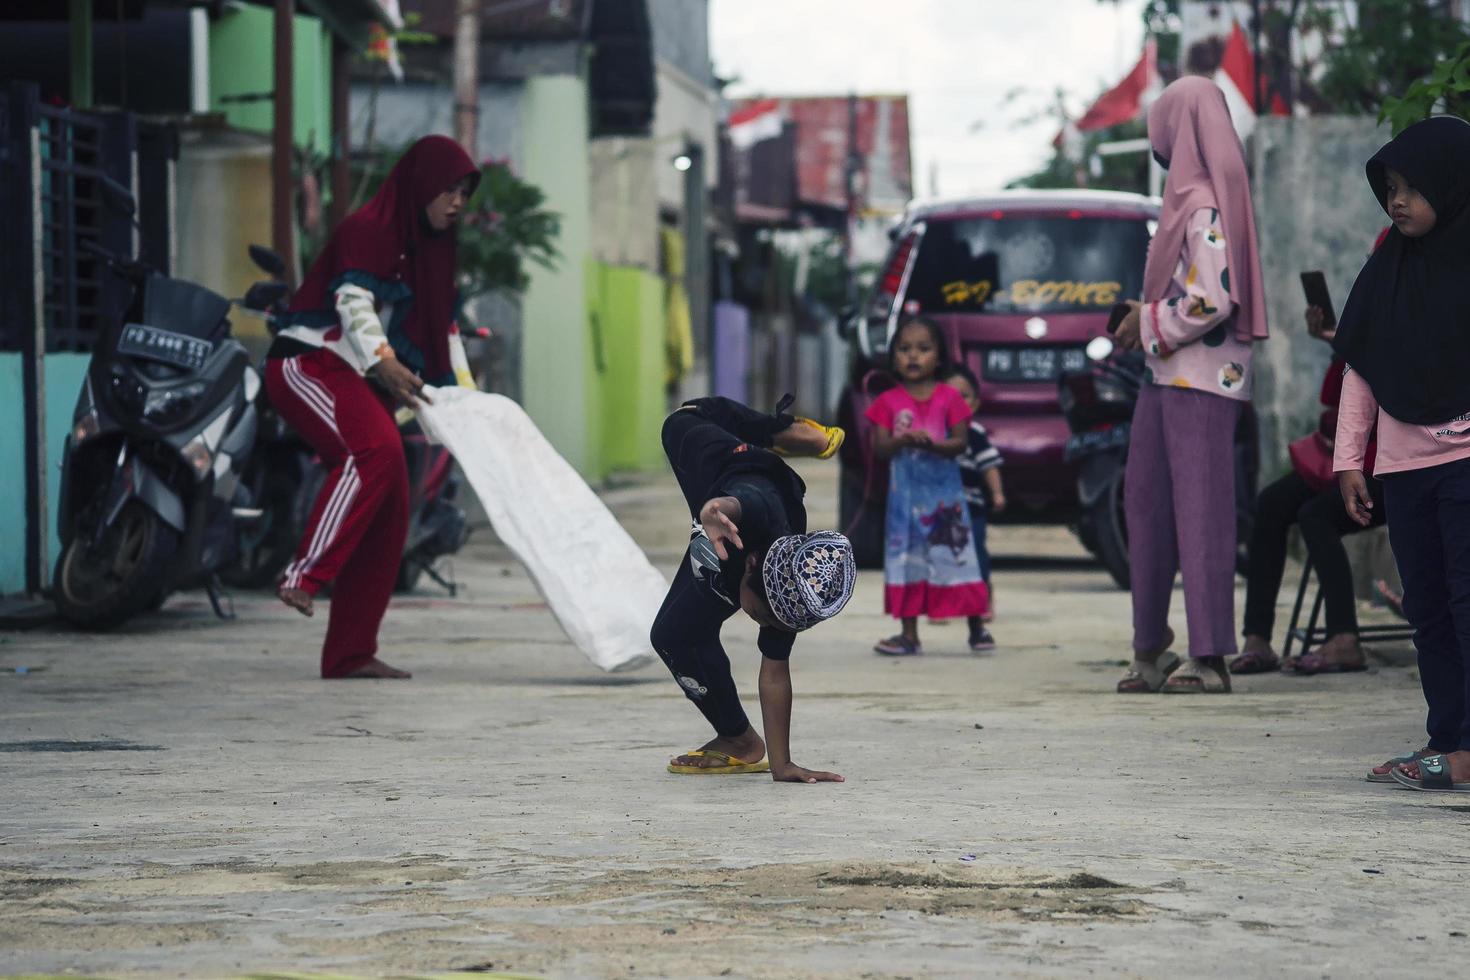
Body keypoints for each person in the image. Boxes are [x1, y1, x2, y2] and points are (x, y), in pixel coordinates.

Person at [264, 135, 481, 679]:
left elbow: (442, 331)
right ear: (419, 186)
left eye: (464, 192)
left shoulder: (432, 253)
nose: (456, 202)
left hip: (351, 375)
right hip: (306, 362)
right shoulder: (368, 230)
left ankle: (350, 653)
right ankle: (304, 573)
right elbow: (352, 301)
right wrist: (382, 359)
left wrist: (470, 406)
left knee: (393, 511)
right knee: (375, 451)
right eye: (446, 190)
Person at [1111, 76, 1269, 694]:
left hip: (1204, 380)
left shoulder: (1202, 204)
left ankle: (1210, 656)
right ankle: (1150, 646)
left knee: (1201, 514)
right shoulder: (1189, 201)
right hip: (1166, 372)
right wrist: (1147, 314)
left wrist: (1146, 320)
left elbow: (1214, 300)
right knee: (1144, 504)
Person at [1333, 116, 1470, 792]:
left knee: (1469, 602)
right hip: (1404, 466)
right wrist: (1348, 458)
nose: (1398, 200)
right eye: (1390, 187)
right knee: (1429, 611)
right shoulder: (1388, 261)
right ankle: (1446, 739)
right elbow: (1363, 363)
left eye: (1413, 187)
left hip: (1466, 461)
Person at [649, 396, 856, 783]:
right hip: (703, 442)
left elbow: (775, 672)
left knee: (674, 634)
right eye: (759, 614)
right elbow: (744, 500)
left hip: (763, 490)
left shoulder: (793, 583)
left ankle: (740, 742)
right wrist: (714, 509)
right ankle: (784, 431)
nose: (758, 622)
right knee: (687, 416)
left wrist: (783, 765)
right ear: (750, 565)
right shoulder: (747, 519)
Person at [1232, 236, 1389, 677]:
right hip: (1349, 453)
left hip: (1394, 462)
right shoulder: (1375, 306)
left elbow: (1394, 374)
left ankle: (1344, 638)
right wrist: (1338, 339)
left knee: (1316, 516)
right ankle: (1257, 638)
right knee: (1271, 503)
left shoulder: (1419, 303)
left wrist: (1350, 342)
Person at [866, 317, 989, 656]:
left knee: (957, 556)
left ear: (939, 356)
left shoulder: (951, 398)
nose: (913, 356)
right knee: (907, 559)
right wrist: (903, 440)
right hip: (904, 504)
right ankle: (909, 634)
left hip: (945, 503)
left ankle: (977, 627)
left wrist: (932, 444)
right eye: (904, 349)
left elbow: (961, 444)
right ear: (893, 358)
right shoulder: (887, 402)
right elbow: (880, 448)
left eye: (923, 348)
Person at [941, 364, 1006, 649]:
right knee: (944, 557)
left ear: (975, 404)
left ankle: (982, 601)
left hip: (973, 509)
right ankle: (945, 603)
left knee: (976, 557)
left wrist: (997, 494)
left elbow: (990, 467)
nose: (957, 403)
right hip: (942, 510)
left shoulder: (975, 433)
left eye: (964, 397)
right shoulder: (935, 432)